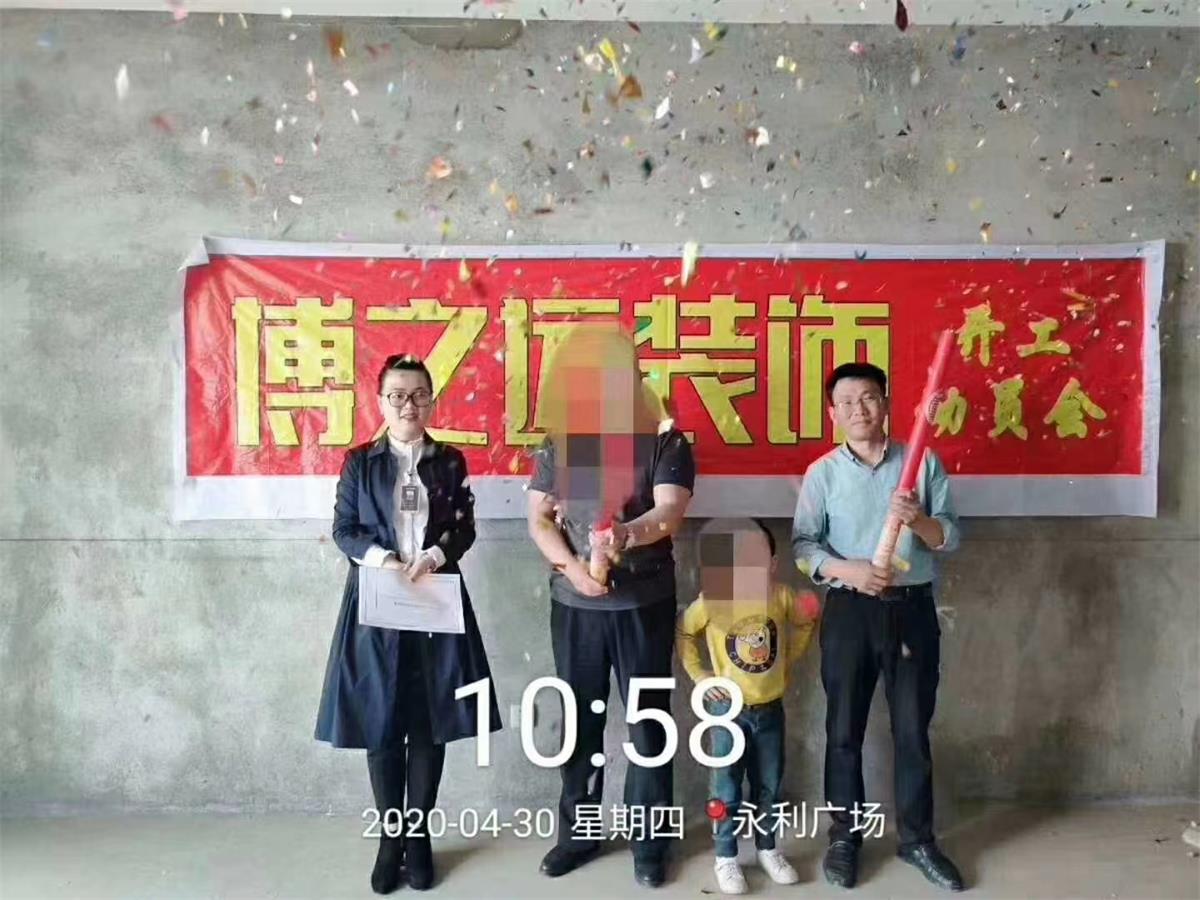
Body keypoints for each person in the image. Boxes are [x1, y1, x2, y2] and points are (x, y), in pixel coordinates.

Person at [315, 353, 501, 894]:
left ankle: (418, 836)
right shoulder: (360, 463)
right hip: (377, 601)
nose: (408, 405)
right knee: (381, 722)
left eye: (418, 395)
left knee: (427, 722)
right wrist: (384, 560)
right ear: (381, 403)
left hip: (434, 599)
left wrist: (437, 555)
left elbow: (464, 529)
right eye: (397, 395)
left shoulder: (449, 461)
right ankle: (389, 838)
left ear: (431, 402)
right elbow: (344, 530)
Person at [525, 327, 694, 889]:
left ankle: (651, 840)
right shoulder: (560, 441)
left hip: (643, 602)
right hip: (575, 605)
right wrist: (573, 568)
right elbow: (539, 519)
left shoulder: (667, 441)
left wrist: (626, 534)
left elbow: (669, 513)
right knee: (580, 722)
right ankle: (579, 833)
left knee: (648, 726)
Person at [791, 361, 964, 892]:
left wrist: (918, 520)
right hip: (849, 611)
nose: (858, 410)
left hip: (911, 610)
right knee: (843, 730)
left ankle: (918, 841)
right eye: (846, 402)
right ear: (832, 413)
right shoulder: (822, 474)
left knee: (912, 731)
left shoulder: (921, 462)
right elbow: (803, 547)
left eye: (868, 398)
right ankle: (845, 838)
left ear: (885, 403)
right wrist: (850, 570)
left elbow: (950, 538)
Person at [676, 518, 819, 895]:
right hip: (727, 712)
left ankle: (768, 849)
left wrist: (786, 661)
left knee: (769, 784)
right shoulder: (713, 600)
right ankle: (725, 856)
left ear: (772, 563)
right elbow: (685, 631)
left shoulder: (782, 596)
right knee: (726, 786)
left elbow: (805, 622)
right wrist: (700, 677)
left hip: (770, 709)